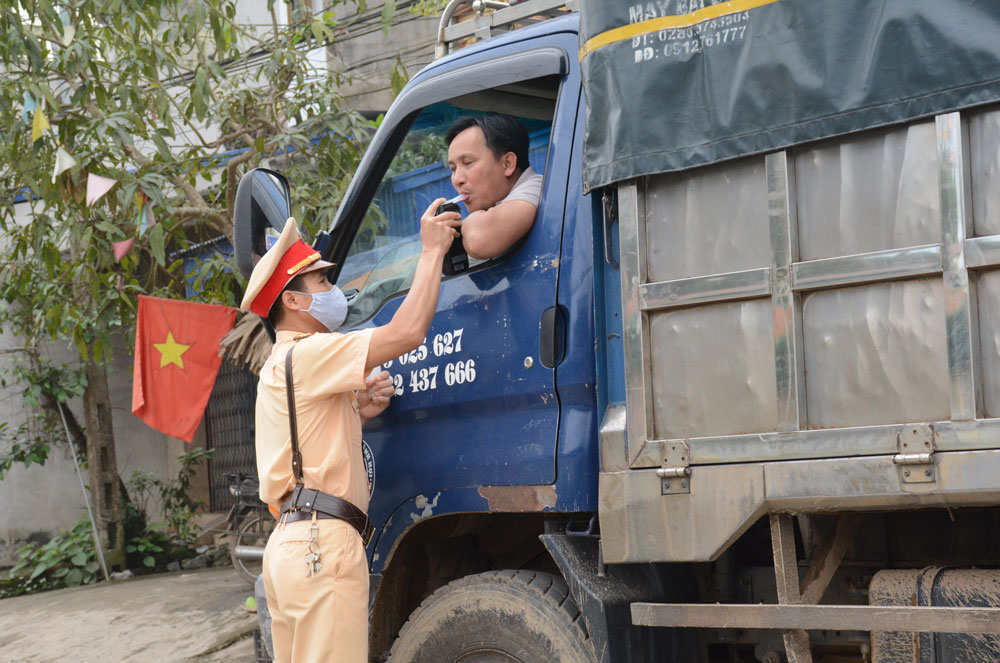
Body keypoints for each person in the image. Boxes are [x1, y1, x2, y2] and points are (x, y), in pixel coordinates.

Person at [239, 207, 459, 663]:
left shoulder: (279, 365)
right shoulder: (310, 351)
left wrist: (354, 413)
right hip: (322, 545)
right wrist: (432, 251)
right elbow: (407, 332)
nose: (334, 291)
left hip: (289, 547)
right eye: (321, 282)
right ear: (294, 302)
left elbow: (302, 447)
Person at [445, 114, 544, 259]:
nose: (457, 179)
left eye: (468, 163)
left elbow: (478, 240)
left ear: (508, 164)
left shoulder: (536, 188)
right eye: (453, 169)